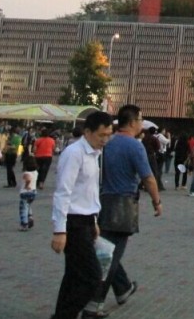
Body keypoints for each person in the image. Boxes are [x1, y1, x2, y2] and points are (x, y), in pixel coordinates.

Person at [83, 105, 162, 319]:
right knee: (109, 256)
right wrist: (157, 201)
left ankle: (123, 287)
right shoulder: (135, 146)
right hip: (123, 206)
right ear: (133, 121)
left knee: (106, 249)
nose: (141, 124)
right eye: (141, 119)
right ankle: (94, 304)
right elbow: (148, 178)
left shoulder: (107, 141)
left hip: (102, 202)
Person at [50, 111, 114, 319]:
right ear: (87, 132)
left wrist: (93, 220)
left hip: (86, 220)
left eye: (108, 135)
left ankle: (62, 315)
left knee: (73, 276)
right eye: (101, 135)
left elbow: (89, 190)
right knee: (91, 277)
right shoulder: (74, 153)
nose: (105, 140)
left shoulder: (95, 153)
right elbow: (63, 192)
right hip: (73, 222)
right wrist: (59, 230)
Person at [19, 152, 39, 230]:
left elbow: (28, 180)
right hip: (33, 191)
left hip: (25, 192)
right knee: (28, 205)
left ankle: (24, 224)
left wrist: (26, 186)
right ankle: (30, 217)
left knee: (23, 208)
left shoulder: (26, 173)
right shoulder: (35, 172)